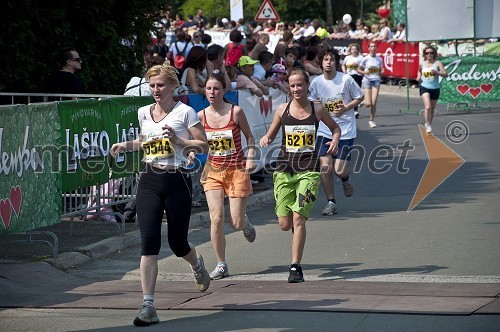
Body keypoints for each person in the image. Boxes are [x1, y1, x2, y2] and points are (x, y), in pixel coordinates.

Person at [109, 64, 210, 326]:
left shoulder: (185, 112)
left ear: (173, 86)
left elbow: (203, 143)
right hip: (150, 179)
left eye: (160, 85)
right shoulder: (143, 112)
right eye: (152, 85)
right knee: (149, 242)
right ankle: (148, 305)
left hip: (177, 179)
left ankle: (197, 265)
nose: (155, 90)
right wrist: (125, 145)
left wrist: (180, 142)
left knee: (178, 244)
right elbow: (146, 141)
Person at [259, 68, 341, 283]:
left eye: (300, 85)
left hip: (309, 171)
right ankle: (297, 225)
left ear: (307, 86)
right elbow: (272, 133)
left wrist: (334, 140)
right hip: (284, 170)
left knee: (299, 218)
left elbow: (335, 128)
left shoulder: (318, 109)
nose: (296, 89)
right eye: (292, 85)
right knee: (285, 224)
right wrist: (266, 138)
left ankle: (295, 267)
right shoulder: (282, 109)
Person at [197, 73, 257, 280]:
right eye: (208, 89)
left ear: (224, 91)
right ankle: (221, 264)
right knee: (216, 218)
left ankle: (245, 223)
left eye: (216, 89)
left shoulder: (236, 112)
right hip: (213, 170)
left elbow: (249, 135)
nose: (212, 93)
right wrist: (189, 154)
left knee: (236, 222)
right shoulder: (201, 116)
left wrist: (250, 156)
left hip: (237, 170)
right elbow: (196, 142)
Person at [310, 47, 364, 216]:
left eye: (332, 59)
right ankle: (331, 202)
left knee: (339, 170)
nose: (328, 63)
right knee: (325, 167)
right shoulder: (316, 82)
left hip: (345, 130)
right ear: (321, 62)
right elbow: (311, 101)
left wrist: (346, 107)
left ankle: (345, 179)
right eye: (325, 59)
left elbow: (360, 96)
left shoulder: (346, 79)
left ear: (336, 62)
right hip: (325, 130)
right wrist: (315, 104)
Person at [416, 46, 448, 134]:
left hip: (435, 88)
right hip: (424, 87)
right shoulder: (422, 64)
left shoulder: (437, 63)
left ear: (434, 54)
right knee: (428, 107)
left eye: (431, 53)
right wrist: (418, 77)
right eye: (427, 53)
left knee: (432, 110)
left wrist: (437, 73)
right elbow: (419, 71)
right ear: (425, 54)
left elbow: (446, 74)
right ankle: (429, 125)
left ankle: (428, 123)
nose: (429, 54)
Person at [358, 42, 383, 128]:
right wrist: (365, 72)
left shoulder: (379, 59)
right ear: (369, 48)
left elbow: (380, 70)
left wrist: (380, 76)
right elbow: (359, 69)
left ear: (376, 48)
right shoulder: (365, 59)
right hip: (367, 80)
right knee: (368, 104)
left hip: (376, 81)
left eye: (374, 46)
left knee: (374, 102)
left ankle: (371, 120)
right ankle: (363, 100)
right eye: (371, 46)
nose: (373, 48)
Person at [342, 43, 364, 118]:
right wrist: (344, 71)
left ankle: (355, 110)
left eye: (355, 49)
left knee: (355, 93)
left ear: (358, 50)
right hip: (349, 76)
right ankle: (350, 108)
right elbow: (343, 65)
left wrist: (358, 66)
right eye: (353, 49)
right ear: (350, 50)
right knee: (349, 93)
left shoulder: (361, 58)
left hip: (357, 76)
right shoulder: (347, 58)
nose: (354, 50)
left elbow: (364, 67)